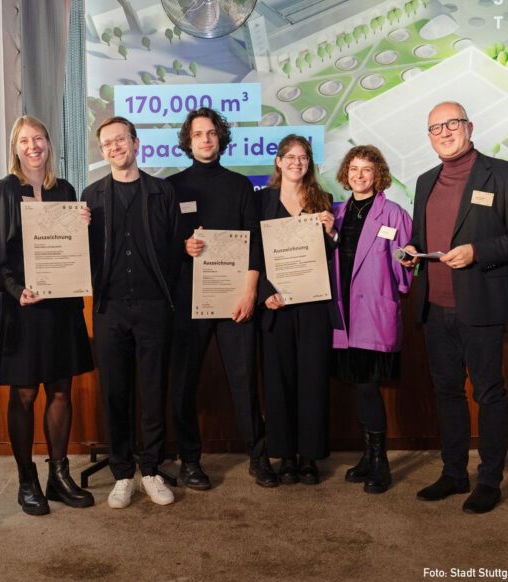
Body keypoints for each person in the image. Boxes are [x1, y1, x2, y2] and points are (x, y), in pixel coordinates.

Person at [400, 101, 508, 513]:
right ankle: (454, 473)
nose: (444, 132)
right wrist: (411, 250)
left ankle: (490, 481)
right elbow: (421, 238)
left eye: (452, 124)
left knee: (488, 392)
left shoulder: (505, 174)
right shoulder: (425, 181)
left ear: (469, 127)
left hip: (481, 305)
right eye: (435, 128)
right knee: (447, 393)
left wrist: (477, 251)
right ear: (429, 137)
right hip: (434, 306)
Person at [0, 116, 95, 516]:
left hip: (61, 307)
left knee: (61, 390)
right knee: (25, 394)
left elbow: (74, 251)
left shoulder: (64, 190)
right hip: (24, 308)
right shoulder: (2, 192)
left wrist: (84, 227)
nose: (33, 146)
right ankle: (26, 480)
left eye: (39, 139)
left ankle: (58, 475)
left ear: (49, 143)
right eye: (24, 141)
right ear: (15, 148)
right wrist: (18, 291)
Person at [168, 107, 277, 489]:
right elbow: (164, 242)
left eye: (212, 132)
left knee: (245, 382)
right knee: (183, 384)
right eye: (198, 133)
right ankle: (190, 461)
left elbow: (255, 240)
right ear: (188, 140)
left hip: (236, 299)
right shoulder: (172, 187)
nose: (206, 139)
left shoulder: (240, 185)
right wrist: (183, 245)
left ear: (221, 138)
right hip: (189, 301)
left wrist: (250, 292)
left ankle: (258, 458)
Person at [83, 116, 182, 509]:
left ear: (136, 143)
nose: (115, 147)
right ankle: (123, 474)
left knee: (153, 390)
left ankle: (152, 470)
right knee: (116, 392)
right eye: (107, 143)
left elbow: (174, 248)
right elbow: (82, 255)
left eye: (121, 139)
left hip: (154, 307)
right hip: (109, 308)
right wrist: (79, 229)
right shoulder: (90, 196)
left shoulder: (162, 191)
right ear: (102, 150)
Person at [332, 145, 413, 494]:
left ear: (378, 174)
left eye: (366, 169)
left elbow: (405, 275)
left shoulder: (394, 214)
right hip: (343, 314)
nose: (359, 175)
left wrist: (408, 262)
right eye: (353, 168)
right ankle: (368, 456)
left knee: (368, 387)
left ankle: (381, 462)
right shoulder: (334, 213)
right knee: (358, 385)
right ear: (345, 173)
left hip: (373, 314)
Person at [257, 134, 334, 485]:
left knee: (312, 379)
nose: (296, 162)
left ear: (309, 163)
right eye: (289, 156)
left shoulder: (323, 200)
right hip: (276, 305)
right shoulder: (261, 201)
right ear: (278, 161)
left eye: (302, 157)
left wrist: (332, 234)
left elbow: (328, 257)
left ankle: (309, 457)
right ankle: (285, 456)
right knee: (279, 380)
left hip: (313, 304)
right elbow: (253, 252)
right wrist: (264, 293)